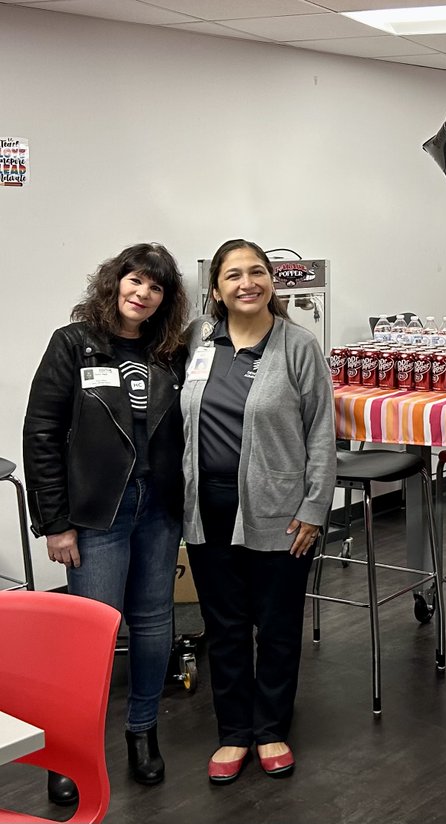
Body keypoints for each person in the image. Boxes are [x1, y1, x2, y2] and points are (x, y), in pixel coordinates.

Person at [23, 243, 190, 801]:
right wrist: (55, 523)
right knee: (89, 634)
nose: (142, 294)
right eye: (135, 280)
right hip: (98, 514)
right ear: (114, 282)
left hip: (158, 508)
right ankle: (68, 748)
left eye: (156, 287)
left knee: (152, 624)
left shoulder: (172, 352)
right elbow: (42, 434)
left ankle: (142, 732)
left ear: (166, 299)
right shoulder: (73, 344)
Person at [181, 239, 335, 784]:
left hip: (279, 512)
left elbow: (321, 431)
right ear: (216, 290)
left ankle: (269, 728)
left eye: (257, 272)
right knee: (222, 627)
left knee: (275, 626)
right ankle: (233, 733)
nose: (247, 283)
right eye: (233, 276)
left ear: (272, 280)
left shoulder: (298, 345)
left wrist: (315, 508)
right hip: (208, 510)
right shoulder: (199, 339)